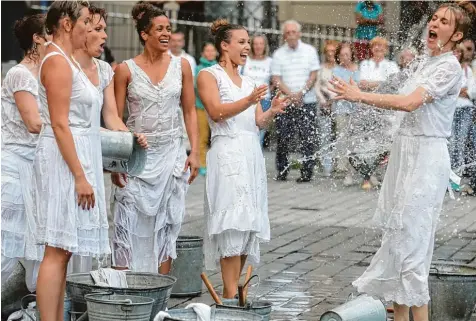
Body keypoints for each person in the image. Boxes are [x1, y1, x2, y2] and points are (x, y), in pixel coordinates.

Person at [330, 3, 474, 321]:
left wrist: (359, 97)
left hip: (426, 159)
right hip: (405, 155)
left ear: (457, 34)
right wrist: (359, 86)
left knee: (413, 253)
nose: (434, 23)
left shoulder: (449, 67)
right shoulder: (425, 61)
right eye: (434, 17)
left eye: (444, 21)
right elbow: (394, 87)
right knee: (398, 245)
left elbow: (408, 103)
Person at [197, 19, 288, 299]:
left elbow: (257, 122)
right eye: (241, 42)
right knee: (232, 224)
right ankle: (228, 295)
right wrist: (249, 101)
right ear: (224, 46)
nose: (247, 47)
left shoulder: (249, 81)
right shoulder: (209, 75)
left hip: (250, 155)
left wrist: (271, 110)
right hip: (227, 154)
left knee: (248, 225)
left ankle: (236, 291)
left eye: (248, 42)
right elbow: (215, 111)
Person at [33, 2, 110, 320]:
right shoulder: (56, 61)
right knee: (56, 248)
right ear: (66, 24)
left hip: (77, 153)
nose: (88, 26)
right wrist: (80, 175)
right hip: (64, 159)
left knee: (63, 249)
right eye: (85, 21)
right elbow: (60, 123)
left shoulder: (67, 60)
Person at [112, 2, 199, 274]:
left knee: (168, 221)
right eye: (159, 29)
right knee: (126, 218)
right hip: (136, 156)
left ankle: (159, 293)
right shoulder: (125, 70)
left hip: (172, 152)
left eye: (169, 29)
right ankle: (124, 289)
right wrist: (116, 162)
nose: (166, 34)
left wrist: (194, 151)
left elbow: (189, 110)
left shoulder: (182, 65)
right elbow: (114, 118)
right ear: (144, 34)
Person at [70, 5, 148, 273]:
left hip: (92, 154)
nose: (105, 36)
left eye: (106, 29)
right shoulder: (62, 66)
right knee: (64, 233)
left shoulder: (104, 70)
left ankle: (78, 295)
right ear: (81, 30)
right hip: (67, 153)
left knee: (88, 227)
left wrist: (127, 144)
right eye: (99, 29)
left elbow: (112, 117)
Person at [1, 14, 49, 293]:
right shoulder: (20, 73)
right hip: (15, 165)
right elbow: (33, 123)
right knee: (8, 241)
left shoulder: (47, 71)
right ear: (37, 37)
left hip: (38, 166)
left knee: (36, 242)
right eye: (50, 32)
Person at [271, 20, 320, 183]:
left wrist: (301, 93)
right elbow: (276, 79)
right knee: (283, 137)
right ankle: (282, 170)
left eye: (293, 32)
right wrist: (291, 95)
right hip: (285, 102)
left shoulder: (310, 51)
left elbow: (313, 75)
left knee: (307, 138)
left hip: (307, 101)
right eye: (287, 33)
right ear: (284, 35)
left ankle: (307, 172)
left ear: (299, 33)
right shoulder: (278, 54)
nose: (291, 35)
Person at [330, 42, 360, 186]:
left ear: (352, 55)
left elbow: (359, 87)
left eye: (347, 54)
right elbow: (339, 87)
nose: (345, 57)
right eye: (342, 55)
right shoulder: (336, 71)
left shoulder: (358, 69)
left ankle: (357, 171)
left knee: (356, 141)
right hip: (342, 110)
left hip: (357, 109)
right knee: (344, 140)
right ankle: (345, 171)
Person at [449, 43, 475, 185]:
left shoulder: (468, 70)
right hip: (452, 109)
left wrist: (462, 91)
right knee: (451, 142)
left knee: (460, 143)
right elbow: (450, 90)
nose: (457, 54)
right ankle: (447, 176)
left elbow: (471, 90)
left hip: (466, 109)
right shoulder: (449, 69)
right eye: (455, 51)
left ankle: (456, 179)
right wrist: (460, 91)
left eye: (459, 52)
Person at [242, 34, 273, 148]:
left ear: (265, 46)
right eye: (255, 44)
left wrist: (267, 89)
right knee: (246, 131)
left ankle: (256, 161)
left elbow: (274, 80)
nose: (258, 46)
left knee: (259, 133)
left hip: (264, 100)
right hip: (247, 99)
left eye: (261, 44)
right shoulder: (246, 60)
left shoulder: (270, 61)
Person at [315, 40, 339, 177]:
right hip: (324, 104)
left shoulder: (340, 68)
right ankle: (326, 167)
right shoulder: (321, 68)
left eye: (333, 51)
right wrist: (324, 100)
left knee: (337, 136)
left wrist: (333, 98)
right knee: (325, 135)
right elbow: (317, 86)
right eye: (328, 51)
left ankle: (337, 165)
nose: (330, 54)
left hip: (337, 104)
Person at [195, 42, 217, 177]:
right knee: (202, 137)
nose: (209, 53)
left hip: (216, 107)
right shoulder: (198, 69)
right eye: (207, 51)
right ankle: (202, 164)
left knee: (215, 137)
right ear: (203, 53)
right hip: (201, 107)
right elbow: (197, 88)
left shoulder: (218, 67)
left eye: (212, 50)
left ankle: (214, 164)